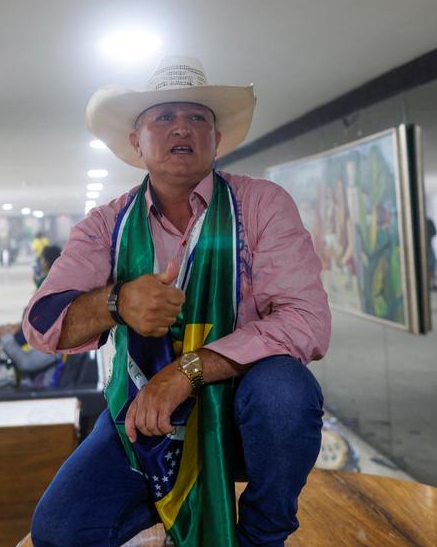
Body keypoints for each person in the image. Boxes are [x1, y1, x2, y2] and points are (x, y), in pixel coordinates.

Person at [24, 56, 329, 546]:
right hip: (146, 417)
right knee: (58, 531)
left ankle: (261, 537)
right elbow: (41, 324)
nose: (181, 128)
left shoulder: (261, 205)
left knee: (285, 391)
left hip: (243, 415)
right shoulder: (108, 226)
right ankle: (167, 519)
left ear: (217, 138)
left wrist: (186, 371)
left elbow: (306, 322)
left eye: (197, 118)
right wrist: (117, 302)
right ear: (136, 141)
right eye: (163, 117)